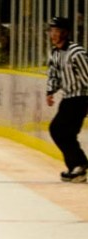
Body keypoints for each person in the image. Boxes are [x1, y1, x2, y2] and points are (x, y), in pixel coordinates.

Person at [46, 16, 88, 183]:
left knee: (59, 130)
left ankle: (80, 164)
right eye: (51, 31)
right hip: (68, 98)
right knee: (63, 132)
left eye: (57, 30)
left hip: (80, 97)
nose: (53, 34)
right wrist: (50, 91)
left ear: (65, 32)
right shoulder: (55, 52)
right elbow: (54, 74)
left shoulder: (77, 52)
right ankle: (76, 166)